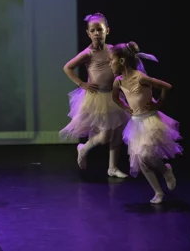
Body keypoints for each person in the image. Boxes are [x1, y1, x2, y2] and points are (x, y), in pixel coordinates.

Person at [59, 13, 129, 178]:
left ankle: (112, 167)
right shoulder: (87, 53)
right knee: (104, 136)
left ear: (107, 31)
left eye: (100, 29)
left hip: (113, 96)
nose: (97, 33)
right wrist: (82, 83)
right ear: (88, 33)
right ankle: (84, 148)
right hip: (97, 98)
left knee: (117, 133)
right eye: (93, 30)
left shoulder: (112, 50)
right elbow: (67, 67)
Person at [110, 41, 180, 204]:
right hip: (136, 123)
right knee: (141, 160)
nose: (109, 63)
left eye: (111, 60)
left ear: (121, 61)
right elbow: (115, 97)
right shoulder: (118, 81)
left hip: (150, 120)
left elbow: (166, 86)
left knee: (146, 154)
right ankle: (158, 192)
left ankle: (165, 170)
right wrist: (126, 107)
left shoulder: (140, 77)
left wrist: (159, 103)